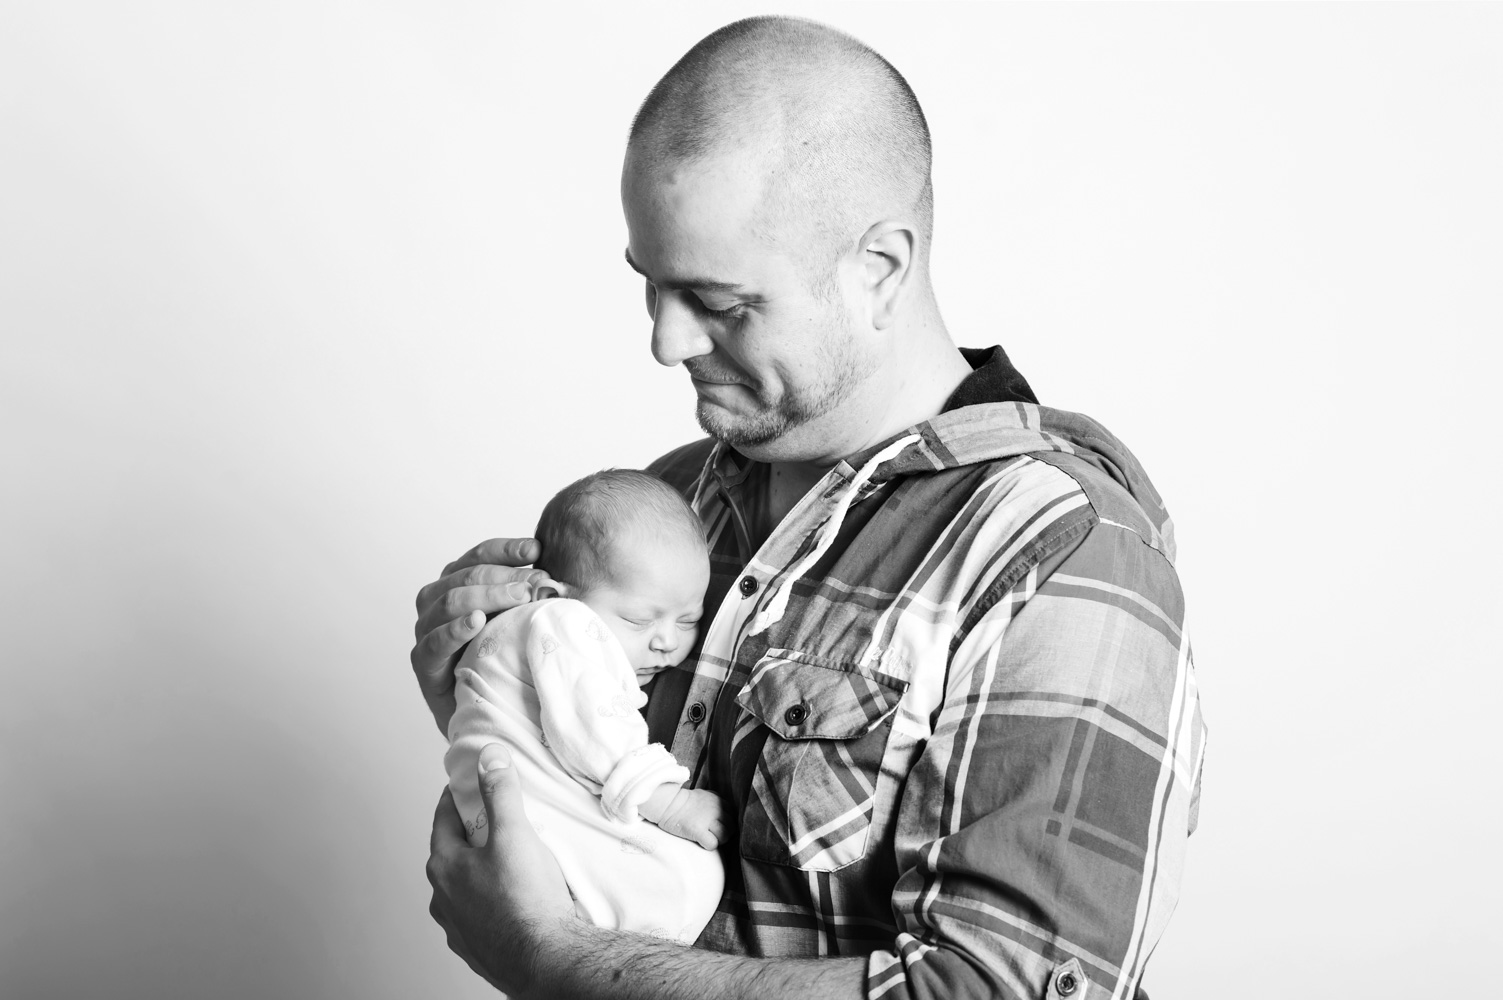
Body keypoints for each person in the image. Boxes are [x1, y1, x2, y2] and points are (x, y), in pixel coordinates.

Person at [415, 15, 1206, 1000]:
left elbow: (997, 989)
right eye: (651, 286)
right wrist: (489, 688)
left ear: (877, 269)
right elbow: (599, 832)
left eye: (720, 301)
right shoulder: (666, 501)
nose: (665, 342)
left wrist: (553, 963)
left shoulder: (1062, 550)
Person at [443, 469, 725, 944]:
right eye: (639, 619)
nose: (667, 642)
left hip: (506, 830)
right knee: (685, 877)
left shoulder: (521, 633)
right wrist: (669, 801)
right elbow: (594, 727)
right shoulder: (561, 620)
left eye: (689, 620)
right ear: (554, 594)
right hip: (536, 831)